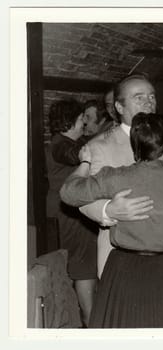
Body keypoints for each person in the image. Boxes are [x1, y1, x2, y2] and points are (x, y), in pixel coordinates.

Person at [60, 113, 163, 328]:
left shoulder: (116, 176)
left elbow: (68, 192)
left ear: (135, 146)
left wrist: (85, 161)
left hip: (124, 271)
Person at [78, 74, 158, 278]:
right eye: (139, 97)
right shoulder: (99, 147)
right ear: (119, 108)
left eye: (151, 97)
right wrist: (108, 210)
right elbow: (82, 196)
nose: (148, 103)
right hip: (120, 251)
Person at [45, 99, 97, 327]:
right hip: (69, 216)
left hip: (64, 214)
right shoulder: (61, 144)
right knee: (83, 268)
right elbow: (75, 155)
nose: (84, 123)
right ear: (70, 121)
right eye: (80, 119)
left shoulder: (59, 141)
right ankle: (91, 322)